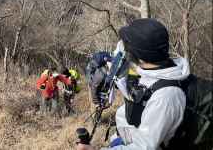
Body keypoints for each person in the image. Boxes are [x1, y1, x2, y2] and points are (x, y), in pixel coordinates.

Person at [77, 18, 190, 150]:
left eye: (127, 48)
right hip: (129, 136)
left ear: (140, 55)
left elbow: (143, 147)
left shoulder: (166, 97)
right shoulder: (149, 71)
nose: (124, 51)